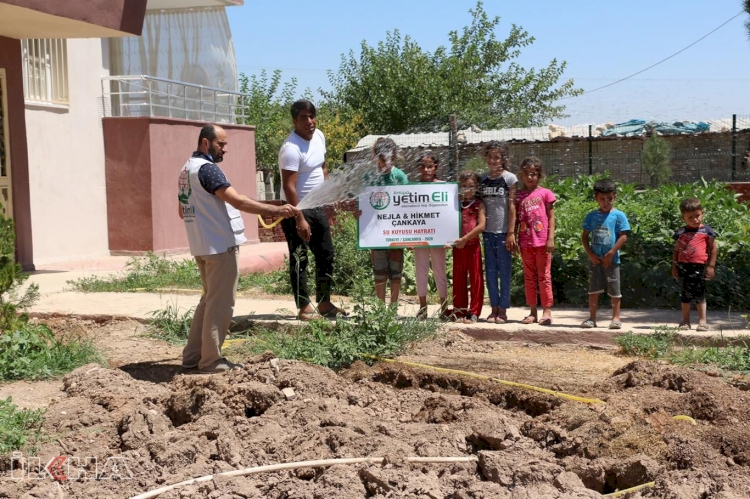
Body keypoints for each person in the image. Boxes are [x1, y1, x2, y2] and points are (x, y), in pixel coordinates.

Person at [178, 124, 297, 373]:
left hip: (202, 245)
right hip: (219, 246)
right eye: (221, 144)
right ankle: (211, 360)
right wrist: (276, 209)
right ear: (205, 143)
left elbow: (182, 211)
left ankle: (193, 356)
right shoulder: (209, 170)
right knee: (220, 303)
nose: (225, 149)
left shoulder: (186, 169)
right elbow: (238, 200)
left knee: (208, 300)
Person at [278, 99, 345, 321]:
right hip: (294, 209)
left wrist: (329, 194)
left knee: (326, 253)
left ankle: (324, 303)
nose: (310, 121)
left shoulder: (319, 136)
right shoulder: (291, 149)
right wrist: (299, 218)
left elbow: (322, 166)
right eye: (304, 117)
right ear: (295, 121)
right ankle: (304, 307)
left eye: (312, 116)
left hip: (316, 206)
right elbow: (289, 186)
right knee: (300, 258)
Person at [580, 178, 631, 329]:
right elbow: (584, 237)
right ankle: (592, 318)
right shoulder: (591, 216)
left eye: (609, 198)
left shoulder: (619, 215)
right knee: (593, 289)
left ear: (615, 196)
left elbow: (624, 236)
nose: (606, 202)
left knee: (614, 289)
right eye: (602, 199)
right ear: (596, 198)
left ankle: (616, 318)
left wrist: (612, 252)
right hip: (595, 260)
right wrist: (590, 254)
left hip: (612, 260)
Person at [366, 137, 409, 306]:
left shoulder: (399, 176)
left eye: (391, 160)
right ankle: (380, 307)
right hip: (376, 234)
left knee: (396, 270)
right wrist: (359, 213)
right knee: (379, 270)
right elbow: (363, 202)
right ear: (376, 157)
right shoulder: (369, 178)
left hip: (396, 233)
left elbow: (409, 205)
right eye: (383, 160)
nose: (387, 164)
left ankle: (393, 306)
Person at [514, 157, 556, 326]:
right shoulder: (518, 196)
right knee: (529, 277)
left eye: (534, 174)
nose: (530, 177)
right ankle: (532, 312)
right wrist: (514, 237)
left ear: (539, 175)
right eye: (526, 174)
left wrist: (550, 238)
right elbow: (516, 219)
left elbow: (551, 217)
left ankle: (547, 311)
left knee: (544, 276)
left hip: (543, 243)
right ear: (521, 175)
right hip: (525, 243)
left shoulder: (546, 193)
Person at [480, 140, 517, 324]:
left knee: (504, 272)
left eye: (497, 157)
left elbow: (512, 206)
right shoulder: (482, 180)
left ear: (504, 159)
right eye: (491, 157)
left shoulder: (509, 179)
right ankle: (493, 308)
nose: (494, 161)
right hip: (487, 233)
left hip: (503, 233)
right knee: (491, 272)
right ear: (486, 158)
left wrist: (511, 232)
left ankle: (503, 309)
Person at [671, 197, 718, 331]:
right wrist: (674, 266)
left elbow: (713, 248)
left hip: (700, 266)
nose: (695, 219)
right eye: (690, 217)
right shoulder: (681, 232)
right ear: (683, 218)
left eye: (697, 216)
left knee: (700, 295)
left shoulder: (707, 231)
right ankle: (685, 321)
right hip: (683, 266)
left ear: (702, 213)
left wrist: (711, 266)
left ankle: (702, 322)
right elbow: (676, 250)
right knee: (685, 294)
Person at [413, 152, 449, 320]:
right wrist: (409, 238)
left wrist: (448, 238)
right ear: (419, 168)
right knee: (420, 271)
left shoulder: (444, 187)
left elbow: (449, 213)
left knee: (440, 271)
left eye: (430, 166)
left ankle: (444, 308)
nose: (426, 169)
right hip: (420, 237)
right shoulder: (412, 188)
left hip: (439, 238)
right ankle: (422, 307)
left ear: (436, 168)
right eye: (423, 166)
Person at [448, 171, 485, 324]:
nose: (467, 189)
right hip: (458, 248)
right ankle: (459, 310)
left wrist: (465, 239)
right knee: (458, 279)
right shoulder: (456, 203)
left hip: (472, 246)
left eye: (471, 186)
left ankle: (474, 311)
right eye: (464, 186)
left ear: (477, 187)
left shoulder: (479, 205)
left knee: (476, 279)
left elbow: (482, 225)